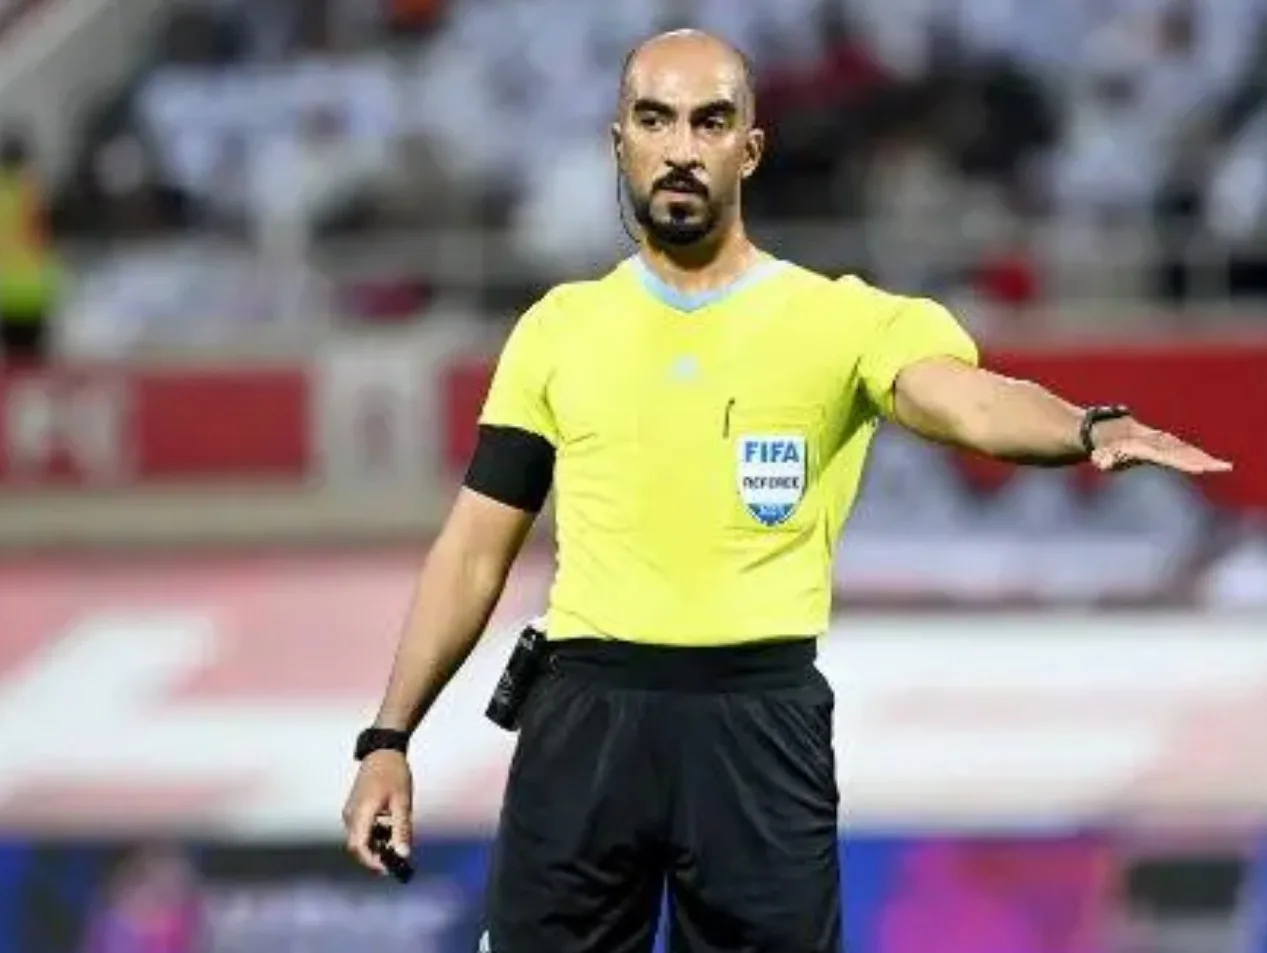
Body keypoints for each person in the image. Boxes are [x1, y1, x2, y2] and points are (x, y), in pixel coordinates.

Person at [339, 29, 1231, 953]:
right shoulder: (558, 330)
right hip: (584, 717)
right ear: (619, 142)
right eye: (655, 120)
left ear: (750, 148)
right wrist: (387, 738)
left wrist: (1084, 428)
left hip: (757, 724)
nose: (681, 148)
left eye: (709, 122)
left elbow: (966, 401)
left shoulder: (840, 319)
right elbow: (473, 550)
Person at [0, 129, 57, 363]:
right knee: (33, 363)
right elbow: (43, 233)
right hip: (32, 287)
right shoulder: (32, 190)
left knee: (3, 363)